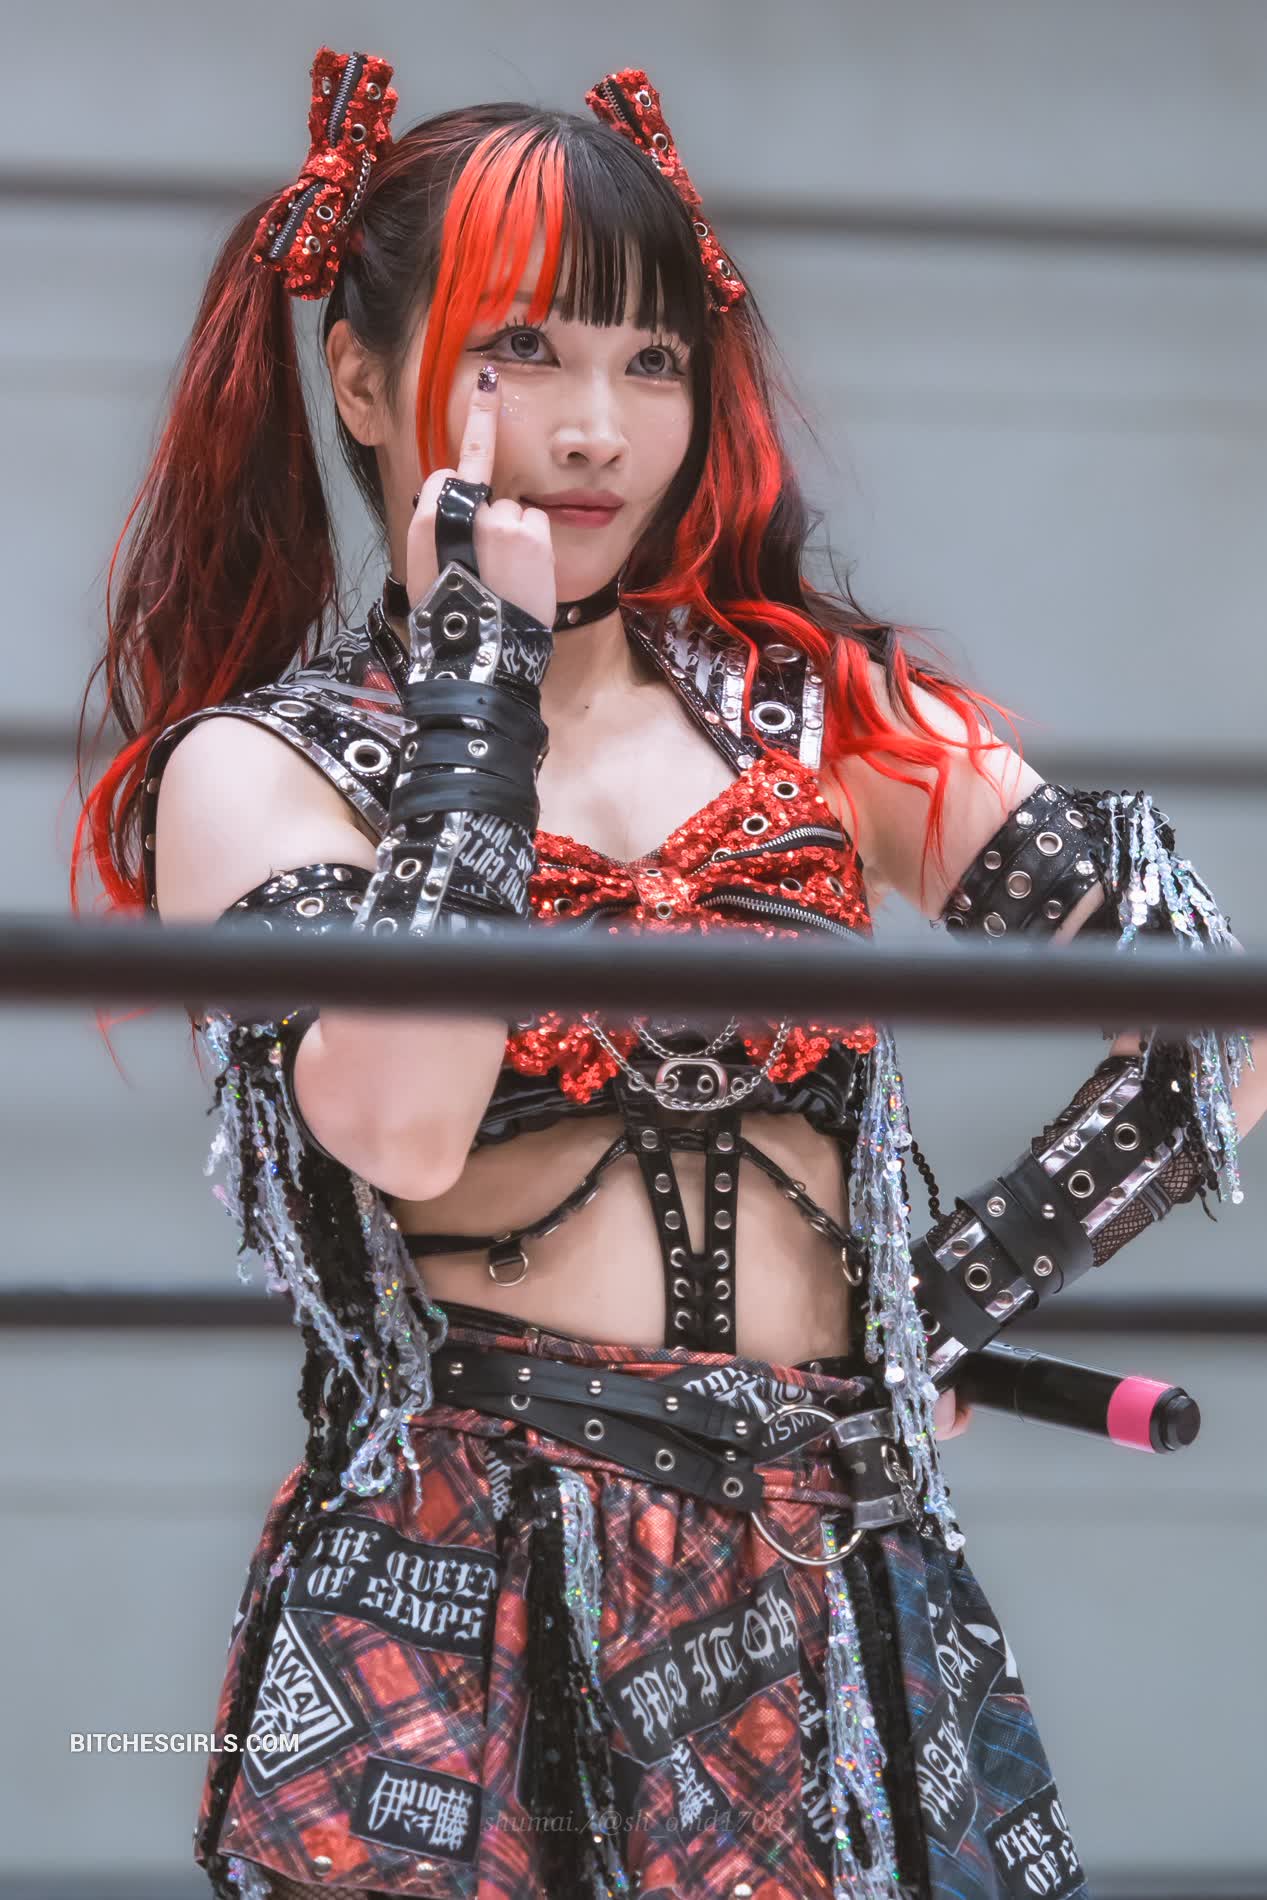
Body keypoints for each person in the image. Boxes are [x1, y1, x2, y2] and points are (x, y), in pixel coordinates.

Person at [73, 46, 1261, 1900]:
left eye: (650, 361)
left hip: (831, 1596)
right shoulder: (261, 768)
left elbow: (1218, 1021)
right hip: (457, 1607)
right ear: (364, 381)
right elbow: (400, 1122)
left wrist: (955, 1285)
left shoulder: (821, 714)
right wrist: (477, 690)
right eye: (522, 352)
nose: (597, 431)